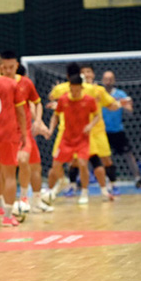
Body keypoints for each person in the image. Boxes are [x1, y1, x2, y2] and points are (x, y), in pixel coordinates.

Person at [46, 64, 120, 203]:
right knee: (62, 164)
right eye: (84, 72)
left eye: (89, 72)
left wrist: (117, 105)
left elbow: (109, 105)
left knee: (94, 161)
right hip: (66, 133)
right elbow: (54, 103)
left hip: (90, 132)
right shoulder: (69, 91)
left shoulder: (94, 91)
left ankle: (102, 189)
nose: (86, 74)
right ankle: (53, 192)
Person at [0, 51, 53, 214]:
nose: (8, 70)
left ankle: (35, 201)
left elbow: (36, 103)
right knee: (8, 168)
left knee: (34, 166)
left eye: (11, 67)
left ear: (17, 65)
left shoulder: (26, 83)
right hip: (5, 134)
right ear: (1, 67)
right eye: (5, 67)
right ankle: (11, 201)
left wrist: (38, 121)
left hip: (25, 132)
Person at [0, 52, 27, 227]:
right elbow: (21, 111)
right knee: (9, 174)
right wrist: (23, 132)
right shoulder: (11, 83)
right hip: (7, 133)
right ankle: (8, 216)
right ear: (1, 68)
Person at [45, 68, 100, 204]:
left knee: (82, 164)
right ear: (69, 87)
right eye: (72, 90)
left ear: (81, 88)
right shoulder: (63, 100)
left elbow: (97, 115)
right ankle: (63, 181)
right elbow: (55, 116)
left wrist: (90, 125)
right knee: (56, 164)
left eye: (77, 90)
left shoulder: (89, 100)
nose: (75, 93)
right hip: (66, 139)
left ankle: (84, 193)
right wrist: (51, 129)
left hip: (82, 139)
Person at [101, 70, 141, 189]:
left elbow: (130, 111)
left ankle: (138, 178)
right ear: (102, 80)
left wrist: (124, 104)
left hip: (117, 131)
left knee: (128, 154)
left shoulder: (121, 94)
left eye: (110, 78)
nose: (108, 81)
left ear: (114, 80)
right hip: (101, 131)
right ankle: (85, 180)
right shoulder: (99, 94)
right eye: (106, 78)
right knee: (94, 156)